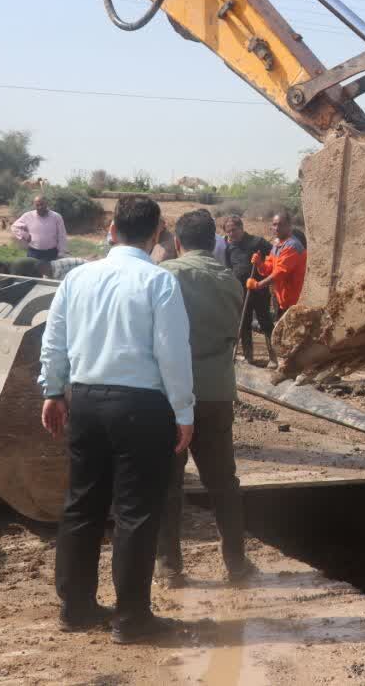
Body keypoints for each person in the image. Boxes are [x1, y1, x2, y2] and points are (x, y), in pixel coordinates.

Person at [38, 196, 195, 644]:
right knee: (135, 513)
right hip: (141, 407)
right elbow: (173, 353)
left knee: (82, 505)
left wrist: (53, 390)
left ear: (111, 229)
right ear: (157, 234)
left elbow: (55, 339)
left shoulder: (77, 277)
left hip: (85, 400)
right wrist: (183, 411)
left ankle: (76, 607)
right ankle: (131, 619)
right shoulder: (159, 282)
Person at [157, 210, 253, 585]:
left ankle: (170, 567)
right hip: (216, 393)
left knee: (168, 482)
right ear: (214, 242)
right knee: (223, 482)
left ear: (177, 242)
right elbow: (234, 331)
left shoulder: (164, 277)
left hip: (170, 393)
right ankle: (236, 562)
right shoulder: (230, 281)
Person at [223, 216, 276, 368]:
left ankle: (273, 358)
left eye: (234, 230)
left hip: (259, 290)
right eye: (228, 232)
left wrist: (261, 262)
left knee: (265, 322)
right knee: (244, 323)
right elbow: (230, 268)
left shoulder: (257, 242)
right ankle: (248, 357)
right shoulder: (229, 247)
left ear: (241, 228)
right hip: (241, 292)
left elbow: (274, 258)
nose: (231, 234)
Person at [249, 212, 306, 317]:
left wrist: (258, 285)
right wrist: (259, 263)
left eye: (281, 224)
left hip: (293, 301)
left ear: (289, 225)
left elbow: (279, 273)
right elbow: (268, 268)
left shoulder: (292, 246)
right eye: (274, 224)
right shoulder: (278, 244)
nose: (277, 228)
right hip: (281, 298)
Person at [11, 194, 68, 262]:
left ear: (47, 204)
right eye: (37, 205)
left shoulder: (56, 217)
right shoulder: (28, 216)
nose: (40, 207)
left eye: (42, 204)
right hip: (33, 253)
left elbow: (62, 236)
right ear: (34, 205)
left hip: (51, 253)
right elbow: (14, 226)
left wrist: (61, 253)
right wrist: (25, 235)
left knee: (50, 272)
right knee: (32, 272)